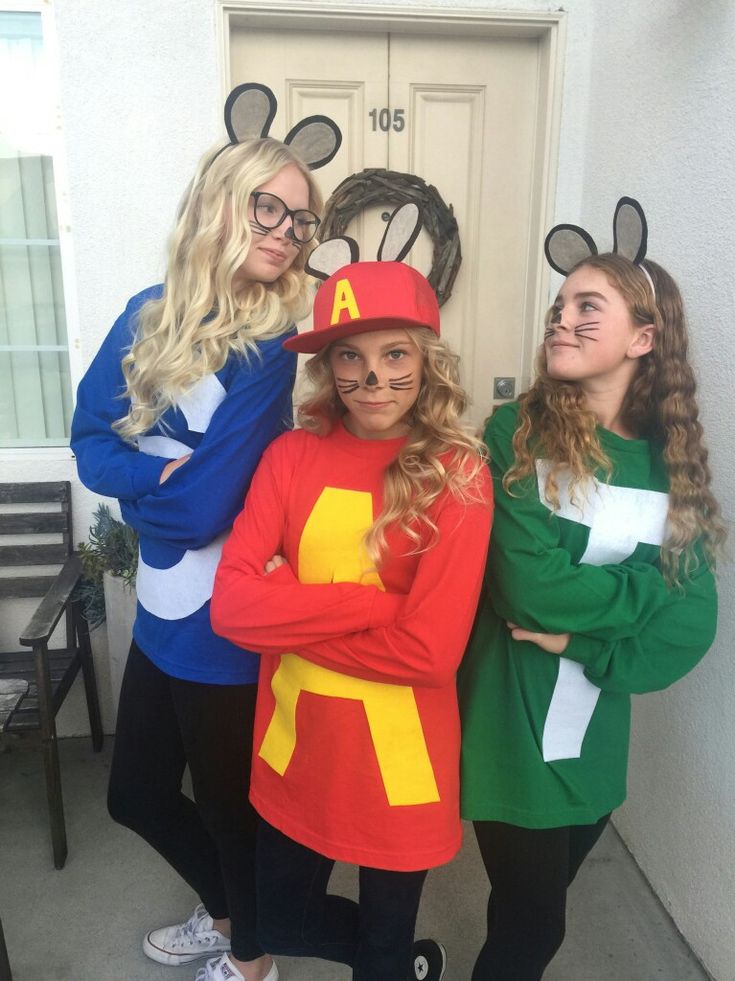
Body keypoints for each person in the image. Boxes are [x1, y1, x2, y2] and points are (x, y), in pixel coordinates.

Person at [71, 84, 340, 981]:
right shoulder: (148, 315)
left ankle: (254, 955)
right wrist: (152, 477)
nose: (284, 230)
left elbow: (203, 511)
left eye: (299, 221)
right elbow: (88, 442)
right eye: (270, 205)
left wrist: (146, 497)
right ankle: (233, 911)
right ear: (221, 202)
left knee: (231, 807)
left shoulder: (273, 346)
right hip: (162, 602)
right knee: (137, 794)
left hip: (225, 615)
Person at [210, 212, 494, 981]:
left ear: (426, 360)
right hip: (298, 743)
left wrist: (288, 608)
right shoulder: (291, 454)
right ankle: (406, 960)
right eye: (350, 356)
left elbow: (430, 651)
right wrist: (368, 606)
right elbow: (231, 607)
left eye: (394, 353)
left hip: (398, 761)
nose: (373, 379)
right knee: (278, 916)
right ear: (327, 366)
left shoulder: (457, 474)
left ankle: (396, 961)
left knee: (378, 956)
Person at [458, 198, 723, 981]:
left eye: (586, 306)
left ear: (644, 339)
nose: (560, 320)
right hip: (510, 723)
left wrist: (585, 641)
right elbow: (530, 588)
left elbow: (692, 624)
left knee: (520, 914)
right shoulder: (516, 434)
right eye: (559, 306)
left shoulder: (673, 471)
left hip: (596, 734)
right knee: (536, 930)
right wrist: (648, 591)